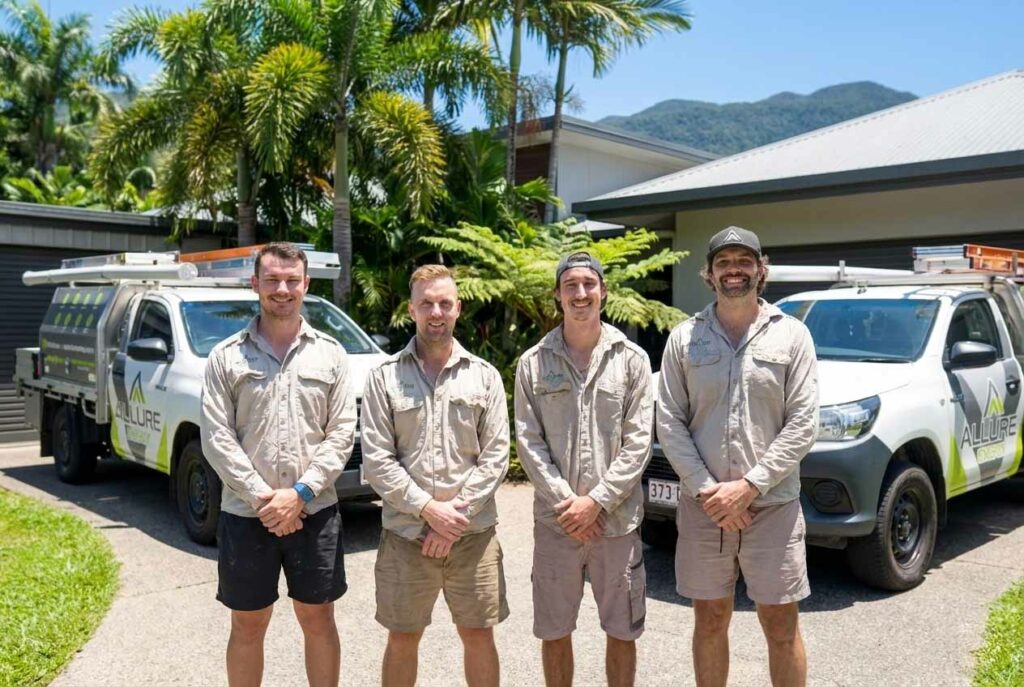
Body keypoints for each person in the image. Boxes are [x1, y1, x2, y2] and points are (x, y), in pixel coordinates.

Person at [656, 226, 819, 687]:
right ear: (708, 273)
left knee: (781, 624)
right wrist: (710, 492)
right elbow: (669, 421)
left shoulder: (793, 337)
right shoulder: (684, 339)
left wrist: (749, 487)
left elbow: (803, 423)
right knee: (709, 619)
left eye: (744, 261)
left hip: (772, 508)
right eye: (724, 262)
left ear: (761, 269)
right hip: (704, 508)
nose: (734, 270)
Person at [200, 242, 356, 687]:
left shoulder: (331, 355)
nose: (282, 289)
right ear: (255, 285)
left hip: (315, 511)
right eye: (272, 280)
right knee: (248, 624)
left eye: (291, 280)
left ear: (306, 284)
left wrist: (299, 495)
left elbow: (342, 433)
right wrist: (265, 499)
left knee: (319, 618)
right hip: (247, 515)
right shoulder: (226, 357)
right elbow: (217, 437)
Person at [361, 264, 510, 687]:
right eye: (426, 303)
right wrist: (429, 510)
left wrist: (452, 519)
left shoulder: (484, 376)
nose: (436, 312)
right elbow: (377, 459)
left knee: (479, 635)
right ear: (411, 309)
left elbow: (496, 455)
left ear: (458, 308)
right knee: (403, 638)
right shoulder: (383, 378)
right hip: (407, 536)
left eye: (445, 303)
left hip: (473, 537)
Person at [514, 252, 653, 687]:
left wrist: (595, 502)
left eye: (589, 284)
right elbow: (528, 440)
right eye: (570, 285)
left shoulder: (632, 359)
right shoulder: (532, 363)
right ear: (557, 294)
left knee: (621, 631)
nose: (580, 293)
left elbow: (639, 441)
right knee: (555, 631)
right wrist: (568, 504)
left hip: (616, 524)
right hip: (557, 527)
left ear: (603, 291)